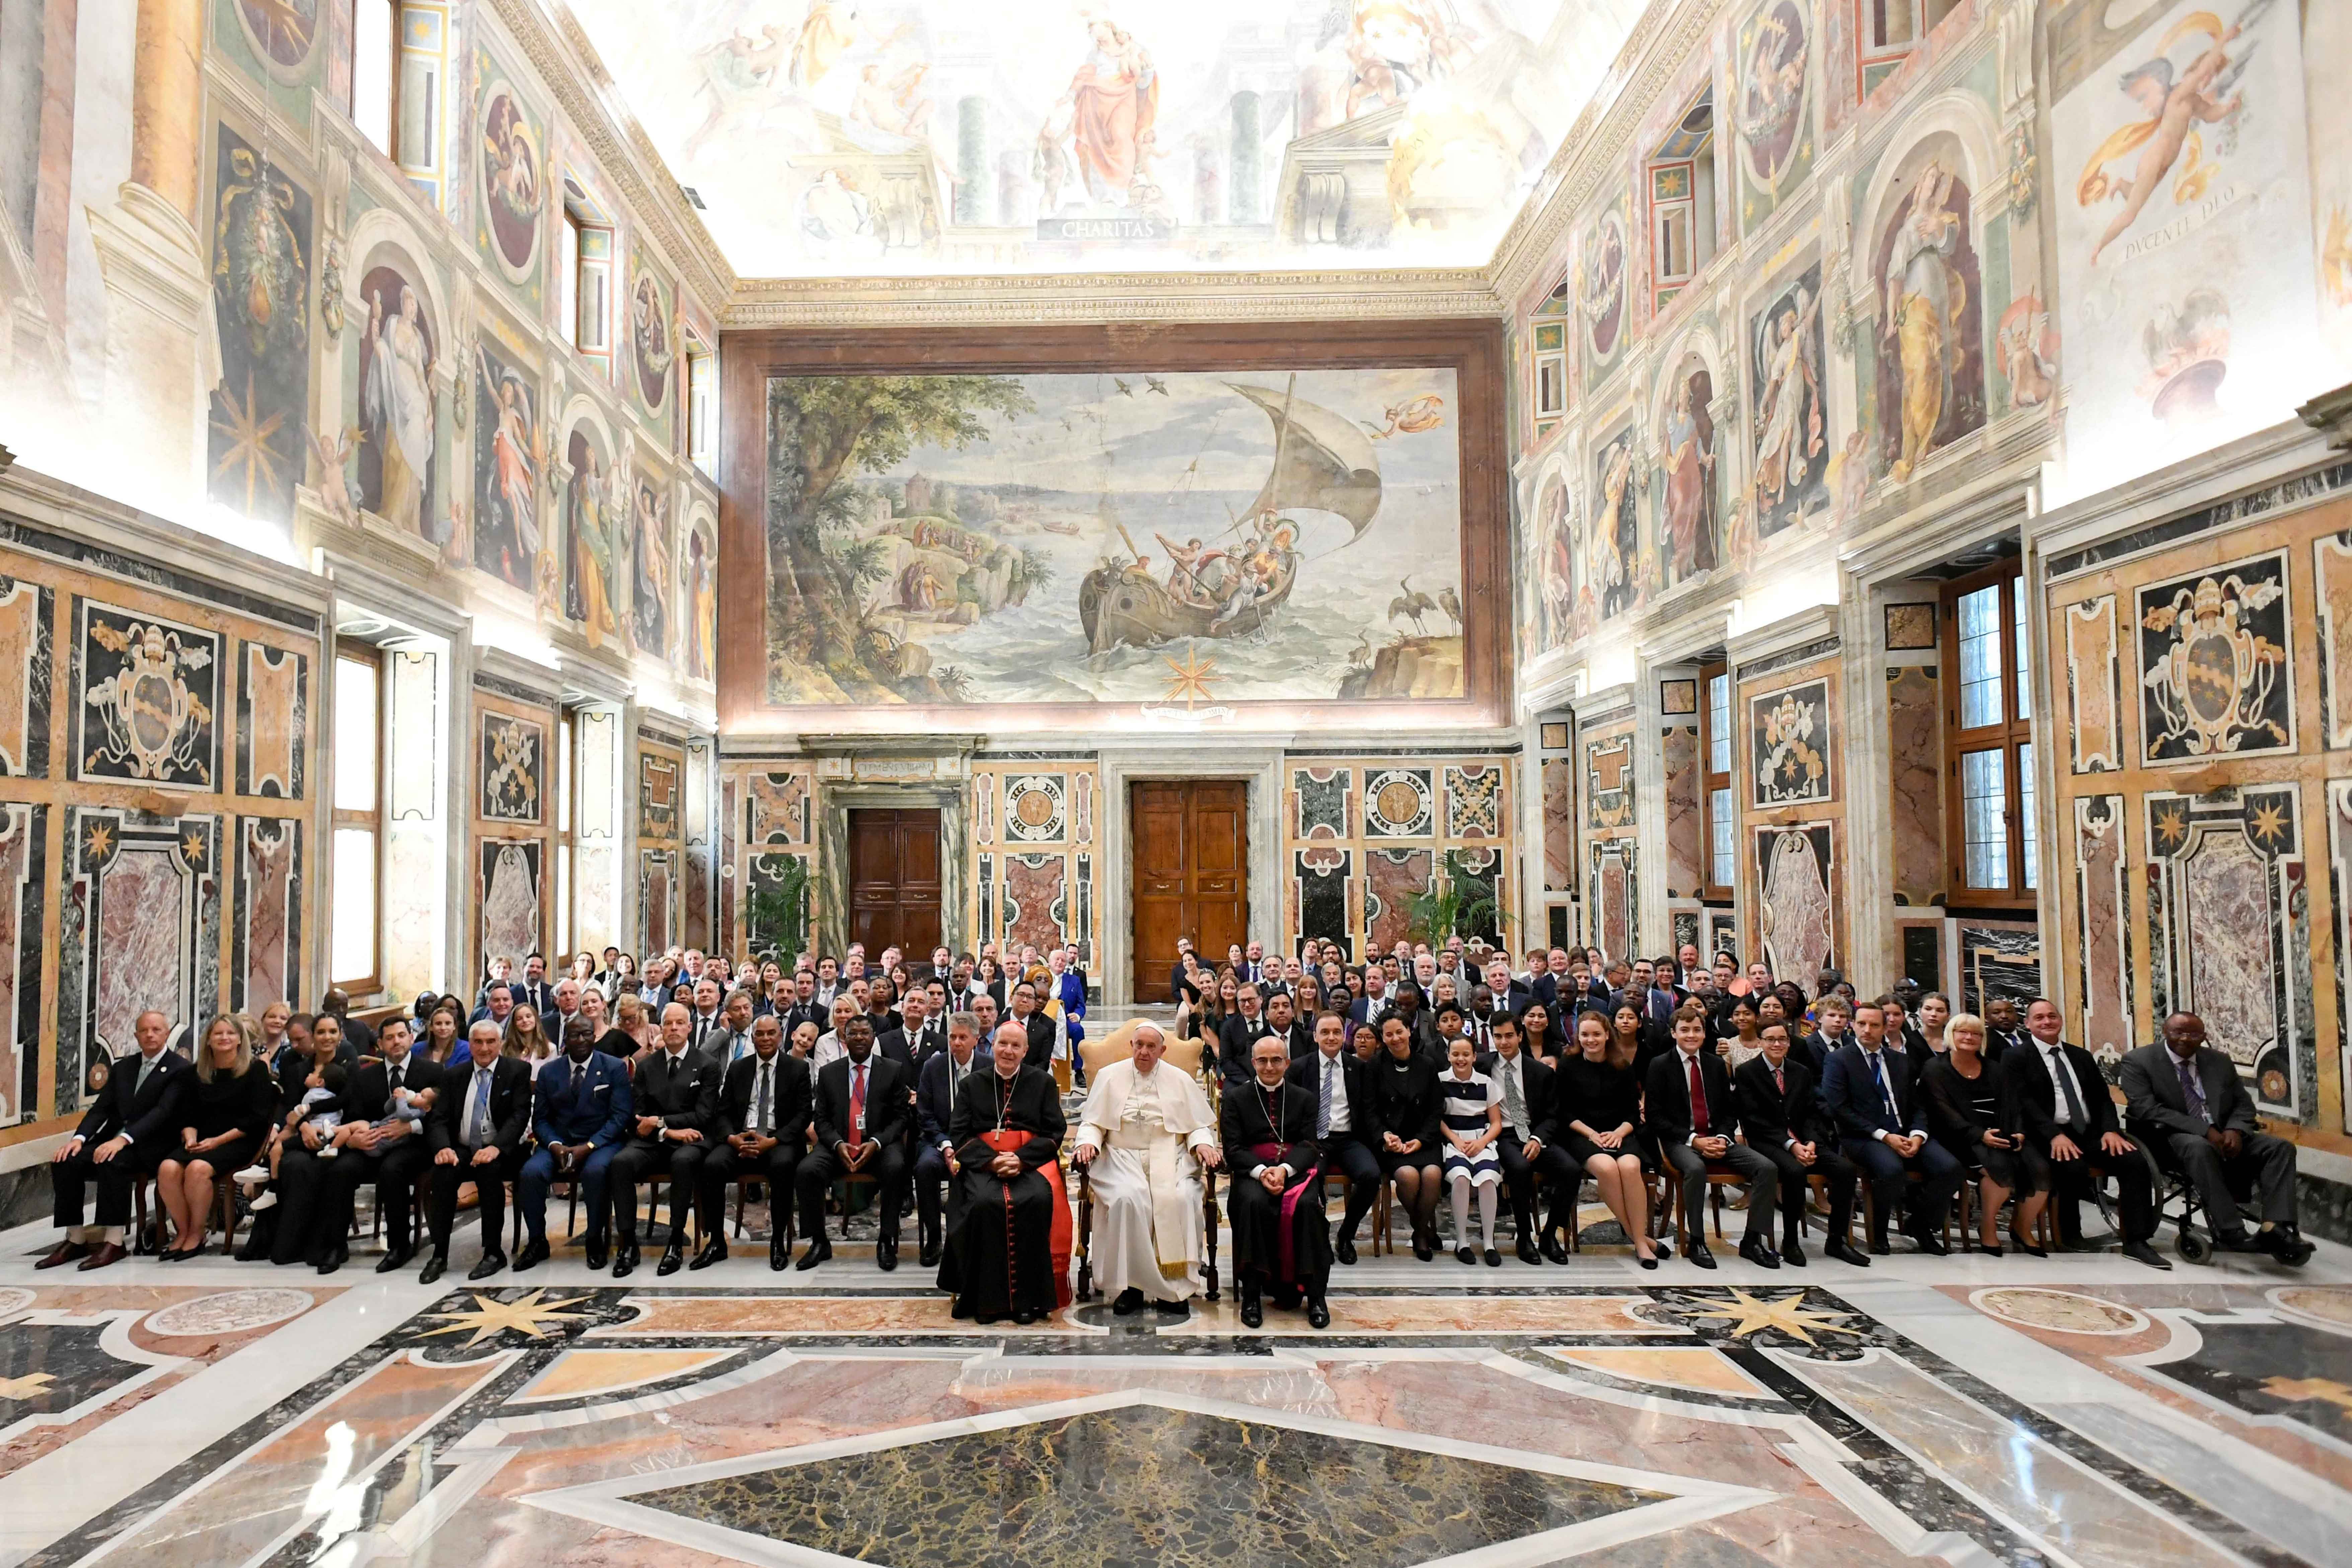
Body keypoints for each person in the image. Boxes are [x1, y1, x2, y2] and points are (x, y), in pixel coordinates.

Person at [2120, 1011, 2311, 1264]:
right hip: (2169, 1137)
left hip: (2222, 1133)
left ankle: (2276, 1228)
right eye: (2178, 1032)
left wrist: (2235, 1130)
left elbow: (2243, 1104)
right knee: (2199, 1147)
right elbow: (2146, 1109)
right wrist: (2204, 1130)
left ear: (2204, 1037)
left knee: (2280, 1148)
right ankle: (2231, 1230)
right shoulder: (2139, 1061)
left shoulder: (2218, 1061)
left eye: (2193, 1034)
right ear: (2165, 1032)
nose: (2185, 1039)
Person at [1072, 1020, 1220, 1315]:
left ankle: (1174, 1288)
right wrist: (1087, 1143)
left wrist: (1202, 1143)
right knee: (1129, 1200)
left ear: (1162, 1051)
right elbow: (1093, 1123)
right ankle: (1131, 1287)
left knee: (1182, 1199)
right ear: (1131, 1046)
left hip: (1171, 1156)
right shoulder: (1109, 1076)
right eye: (1139, 1045)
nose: (1144, 1052)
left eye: (1151, 1047)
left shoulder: (1180, 1080)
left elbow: (1197, 1126)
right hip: (1120, 1157)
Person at [2006, 998, 2162, 1266]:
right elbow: (2023, 1102)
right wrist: (2054, 1134)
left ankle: (2136, 1240)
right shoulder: (2016, 1057)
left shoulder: (2080, 1056)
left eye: (2052, 1016)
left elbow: (2102, 1098)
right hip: (2045, 1134)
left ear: (2060, 1021)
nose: (2047, 1022)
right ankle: (2070, 1232)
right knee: (2071, 1166)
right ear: (2027, 1024)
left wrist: (2111, 1131)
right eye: (2039, 1018)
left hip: (2089, 1132)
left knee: (2134, 1162)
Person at [940, 1021, 1069, 1324]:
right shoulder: (972, 1084)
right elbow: (958, 1133)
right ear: (992, 1046)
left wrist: (1021, 1160)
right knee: (983, 1204)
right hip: (982, 1165)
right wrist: (990, 1161)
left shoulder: (1042, 1083)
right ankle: (977, 1298)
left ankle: (1029, 1301)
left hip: (1029, 1165)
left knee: (1036, 1201)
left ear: (1025, 1051)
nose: (1008, 1051)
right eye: (1003, 1044)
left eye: (1015, 1046)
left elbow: (1054, 1133)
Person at [1823, 1000, 1959, 1255]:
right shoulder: (1838, 1060)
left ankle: (1921, 1224)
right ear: (1852, 1025)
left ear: (1885, 1028)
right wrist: (1885, 1137)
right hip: (1863, 1137)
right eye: (1861, 1024)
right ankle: (1880, 1232)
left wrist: (1918, 1135)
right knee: (1891, 1169)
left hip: (1907, 1133)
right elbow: (1840, 1109)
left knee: (1949, 1168)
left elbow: (1919, 1105)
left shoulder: (1901, 1061)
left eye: (1874, 1025)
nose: (1867, 1030)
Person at [1648, 1005, 1779, 1269]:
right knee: (1695, 1169)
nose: (1691, 1035)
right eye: (1684, 1030)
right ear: (1673, 1033)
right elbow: (1655, 1117)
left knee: (1766, 1168)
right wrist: (1694, 1140)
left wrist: (1722, 1136)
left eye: (1697, 1030)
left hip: (1717, 1137)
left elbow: (1730, 1111)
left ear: (1704, 1033)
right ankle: (1697, 1240)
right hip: (1680, 1141)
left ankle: (1752, 1240)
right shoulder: (1660, 1065)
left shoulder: (1716, 1064)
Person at [1736, 1020, 1866, 1268]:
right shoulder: (1747, 1072)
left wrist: (1811, 1143)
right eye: (1771, 1039)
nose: (1777, 1044)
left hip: (1804, 1140)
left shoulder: (1800, 1072)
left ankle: (1837, 1240)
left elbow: (1810, 1114)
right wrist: (1790, 1145)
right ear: (1761, 1042)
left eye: (1782, 1039)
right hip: (1768, 1140)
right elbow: (1753, 1119)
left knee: (1845, 1170)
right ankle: (1791, 1242)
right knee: (1794, 1171)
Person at [1222, 1037, 1331, 1329]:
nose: (1269, 1067)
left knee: (1308, 1207)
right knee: (1254, 1204)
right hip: (1251, 1172)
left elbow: (1310, 1144)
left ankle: (1316, 1297)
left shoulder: (1304, 1098)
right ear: (1253, 1062)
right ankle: (1252, 1296)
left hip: (1294, 1172)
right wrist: (1261, 1172)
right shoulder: (1235, 1098)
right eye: (1262, 1061)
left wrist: (1284, 1170)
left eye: (1276, 1060)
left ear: (1287, 1062)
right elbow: (1232, 1148)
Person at [611, 1001, 722, 1278]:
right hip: (653, 1140)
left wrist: (660, 1122)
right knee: (621, 1163)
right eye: (668, 1023)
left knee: (684, 1161)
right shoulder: (647, 1066)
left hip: (693, 1140)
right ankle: (628, 1244)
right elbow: (638, 1115)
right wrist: (666, 1130)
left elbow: (703, 1116)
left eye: (679, 1023)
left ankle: (675, 1241)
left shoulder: (707, 1064)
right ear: (660, 1028)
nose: (673, 1028)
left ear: (690, 1028)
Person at [1922, 1012, 2045, 1257]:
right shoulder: (1935, 1068)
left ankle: (2021, 1228)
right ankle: (1987, 1228)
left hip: (2001, 1133)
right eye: (1963, 1032)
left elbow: (2014, 1104)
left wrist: (2018, 1133)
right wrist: (1980, 1135)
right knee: (1998, 1170)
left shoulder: (1995, 1069)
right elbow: (1942, 1111)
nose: (1969, 1037)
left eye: (1976, 1034)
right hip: (1960, 1136)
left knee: (2041, 1169)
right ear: (1951, 1035)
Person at [516, 1016, 632, 1272]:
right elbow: (541, 1119)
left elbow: (620, 1116)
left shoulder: (613, 1068)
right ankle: (537, 1241)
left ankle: (594, 1239)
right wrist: (555, 1145)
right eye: (574, 1036)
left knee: (596, 1172)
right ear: (565, 1041)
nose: (581, 1040)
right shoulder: (549, 1072)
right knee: (531, 1173)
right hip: (558, 1142)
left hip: (602, 1142)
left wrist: (590, 1147)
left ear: (594, 1036)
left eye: (587, 1035)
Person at [325, 1015, 440, 1275]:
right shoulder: (365, 1077)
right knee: (341, 1168)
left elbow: (441, 1117)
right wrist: (355, 1139)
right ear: (380, 1044)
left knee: (393, 1168)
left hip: (416, 1144)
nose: (396, 1042)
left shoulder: (433, 1073)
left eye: (401, 1035)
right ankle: (336, 1245)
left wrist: (410, 1127)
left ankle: (400, 1245)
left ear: (412, 1038)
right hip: (372, 1142)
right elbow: (354, 1115)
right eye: (390, 1038)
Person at [697, 1013, 812, 1271]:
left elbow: (804, 1114)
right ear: (753, 1037)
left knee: (783, 1167)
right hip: (741, 1138)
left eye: (771, 1033)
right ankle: (716, 1242)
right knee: (712, 1165)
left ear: (781, 1037)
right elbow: (722, 1111)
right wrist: (731, 1138)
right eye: (759, 1034)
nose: (765, 1038)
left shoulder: (797, 1069)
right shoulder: (739, 1068)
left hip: (777, 1139)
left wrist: (774, 1140)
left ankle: (777, 1242)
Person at [797, 1016, 913, 1271]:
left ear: (874, 1038)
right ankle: (819, 1242)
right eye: (853, 1034)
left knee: (896, 1167)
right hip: (837, 1144)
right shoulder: (829, 1073)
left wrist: (876, 1143)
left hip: (879, 1145)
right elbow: (821, 1119)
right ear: (844, 1038)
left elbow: (901, 1118)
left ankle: (886, 1240)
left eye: (865, 1033)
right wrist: (838, 1144)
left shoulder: (892, 1070)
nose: (859, 1038)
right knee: (807, 1170)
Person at [155, 1014, 274, 1260]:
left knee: (197, 1169)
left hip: (239, 1139)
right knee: (168, 1168)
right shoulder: (194, 1074)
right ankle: (184, 1232)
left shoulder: (256, 1071)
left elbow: (256, 1119)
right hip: (202, 1139)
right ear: (208, 1040)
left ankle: (197, 1234)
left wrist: (217, 1142)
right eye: (218, 1033)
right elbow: (187, 1116)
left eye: (231, 1033)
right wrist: (190, 1138)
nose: (224, 1038)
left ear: (241, 1040)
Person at [423, 1020, 532, 1284]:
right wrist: (444, 1148)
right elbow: (438, 1118)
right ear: (469, 1045)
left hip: (503, 1148)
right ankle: (439, 1253)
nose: (484, 1049)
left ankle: (493, 1252)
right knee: (443, 1173)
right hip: (462, 1147)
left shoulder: (517, 1071)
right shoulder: (454, 1075)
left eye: (491, 1042)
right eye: (478, 1042)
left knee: (488, 1171)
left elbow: (520, 1115)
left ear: (501, 1044)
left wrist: (496, 1147)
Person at [1478, 1012, 1576, 1264]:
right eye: (1497, 1037)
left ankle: (1550, 1235)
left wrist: (1537, 1138)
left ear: (1520, 1036)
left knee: (1571, 1170)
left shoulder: (1540, 1072)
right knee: (1519, 1169)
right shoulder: (1482, 1065)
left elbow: (1553, 1115)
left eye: (1509, 1036)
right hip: (1503, 1134)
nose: (1504, 1042)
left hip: (1535, 1133)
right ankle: (1524, 1237)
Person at [1286, 1009, 1382, 1265]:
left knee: (1371, 1175)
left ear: (1345, 1037)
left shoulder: (1358, 1068)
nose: (1331, 1037)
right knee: (1313, 1181)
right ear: (1315, 1036)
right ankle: (1319, 1239)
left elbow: (1369, 1109)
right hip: (1314, 1140)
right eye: (1325, 1032)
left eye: (1337, 1032)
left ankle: (1346, 1235)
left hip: (1348, 1139)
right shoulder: (1299, 1068)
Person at [1369, 1013, 1443, 1259]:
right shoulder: (1374, 1066)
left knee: (1433, 1175)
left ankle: (1420, 1233)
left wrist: (1422, 1139)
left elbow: (1435, 1110)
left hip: (1424, 1139)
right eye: (1388, 1034)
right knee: (1408, 1176)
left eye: (1399, 1032)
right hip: (1392, 1142)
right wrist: (1385, 1136)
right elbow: (1368, 1111)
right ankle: (1423, 1232)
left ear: (1409, 1031)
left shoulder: (1427, 1064)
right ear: (1382, 1038)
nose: (1395, 1038)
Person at [914, 1012, 985, 1267]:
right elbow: (925, 1114)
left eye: (963, 1038)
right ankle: (934, 1236)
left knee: (980, 1170)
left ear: (976, 1040)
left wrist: (966, 1146)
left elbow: (990, 1115)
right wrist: (945, 1145)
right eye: (952, 1037)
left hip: (975, 1142)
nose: (956, 1043)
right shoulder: (933, 1068)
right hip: (938, 1139)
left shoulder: (987, 1067)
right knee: (925, 1168)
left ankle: (972, 1236)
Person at [1438, 1036, 1505, 1266]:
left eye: (1466, 1054)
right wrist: (1455, 1139)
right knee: (1461, 1177)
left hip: (1480, 1140)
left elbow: (1496, 1123)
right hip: (1453, 1141)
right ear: (1448, 1056)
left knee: (1487, 1180)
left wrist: (1481, 1142)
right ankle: (1462, 1242)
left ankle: (1488, 1242)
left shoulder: (1486, 1083)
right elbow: (1436, 1119)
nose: (1461, 1059)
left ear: (1474, 1057)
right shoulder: (1439, 1081)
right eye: (1455, 1054)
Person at [1218, 981, 1274, 1089]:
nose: (1247, 1005)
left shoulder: (1272, 1022)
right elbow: (1226, 1061)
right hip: (1241, 1080)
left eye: (1251, 1000)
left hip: (1272, 1075)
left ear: (1261, 999)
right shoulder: (1229, 1027)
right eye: (1243, 1001)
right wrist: (1247, 1082)